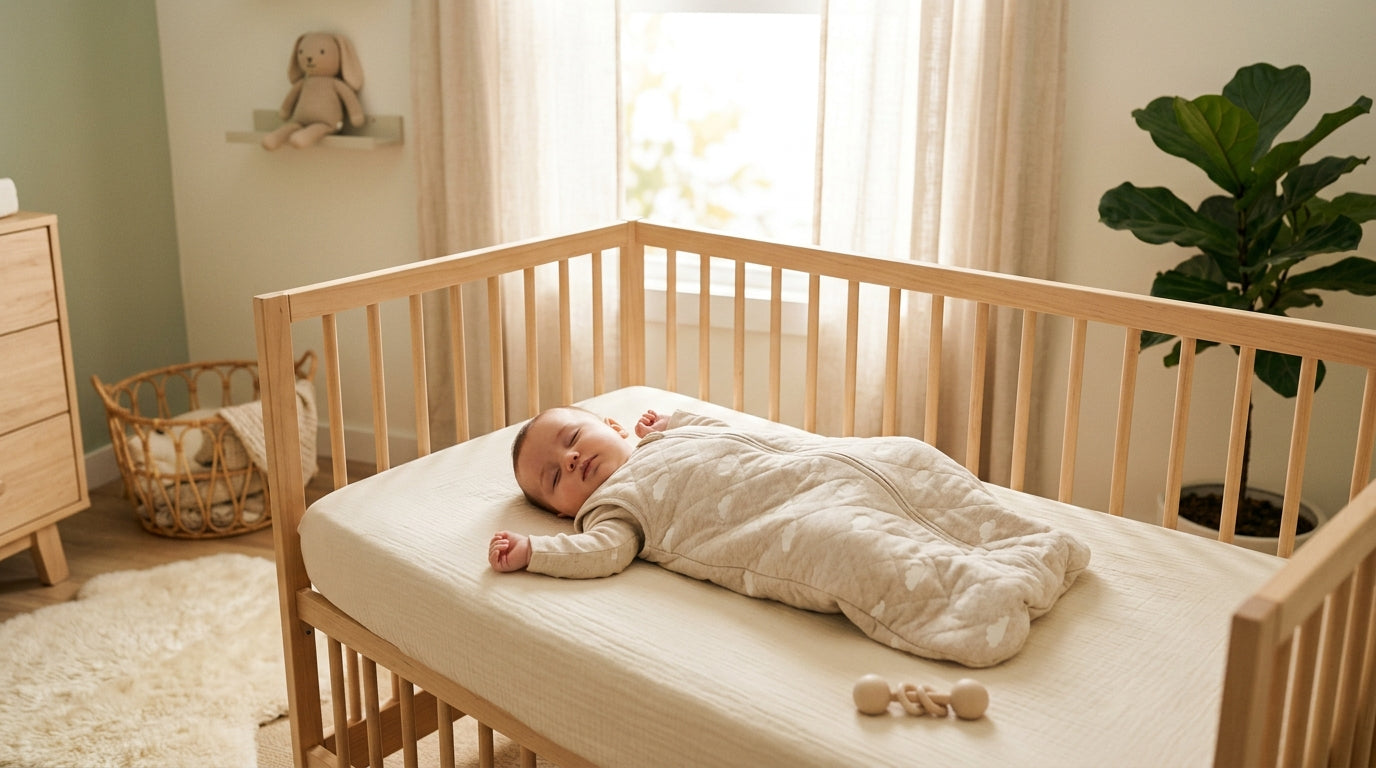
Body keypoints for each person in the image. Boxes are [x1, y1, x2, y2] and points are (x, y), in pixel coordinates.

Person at [489, 405, 1090, 668]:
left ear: (612, 425)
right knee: (847, 546)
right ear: (562, 508)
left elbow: (720, 429)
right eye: (553, 476)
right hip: (787, 520)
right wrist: (534, 551)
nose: (571, 462)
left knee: (911, 456)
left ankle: (1028, 545)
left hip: (825, 465)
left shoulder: (664, 436)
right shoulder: (613, 511)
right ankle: (976, 602)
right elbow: (603, 555)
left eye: (574, 440)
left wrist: (674, 422)